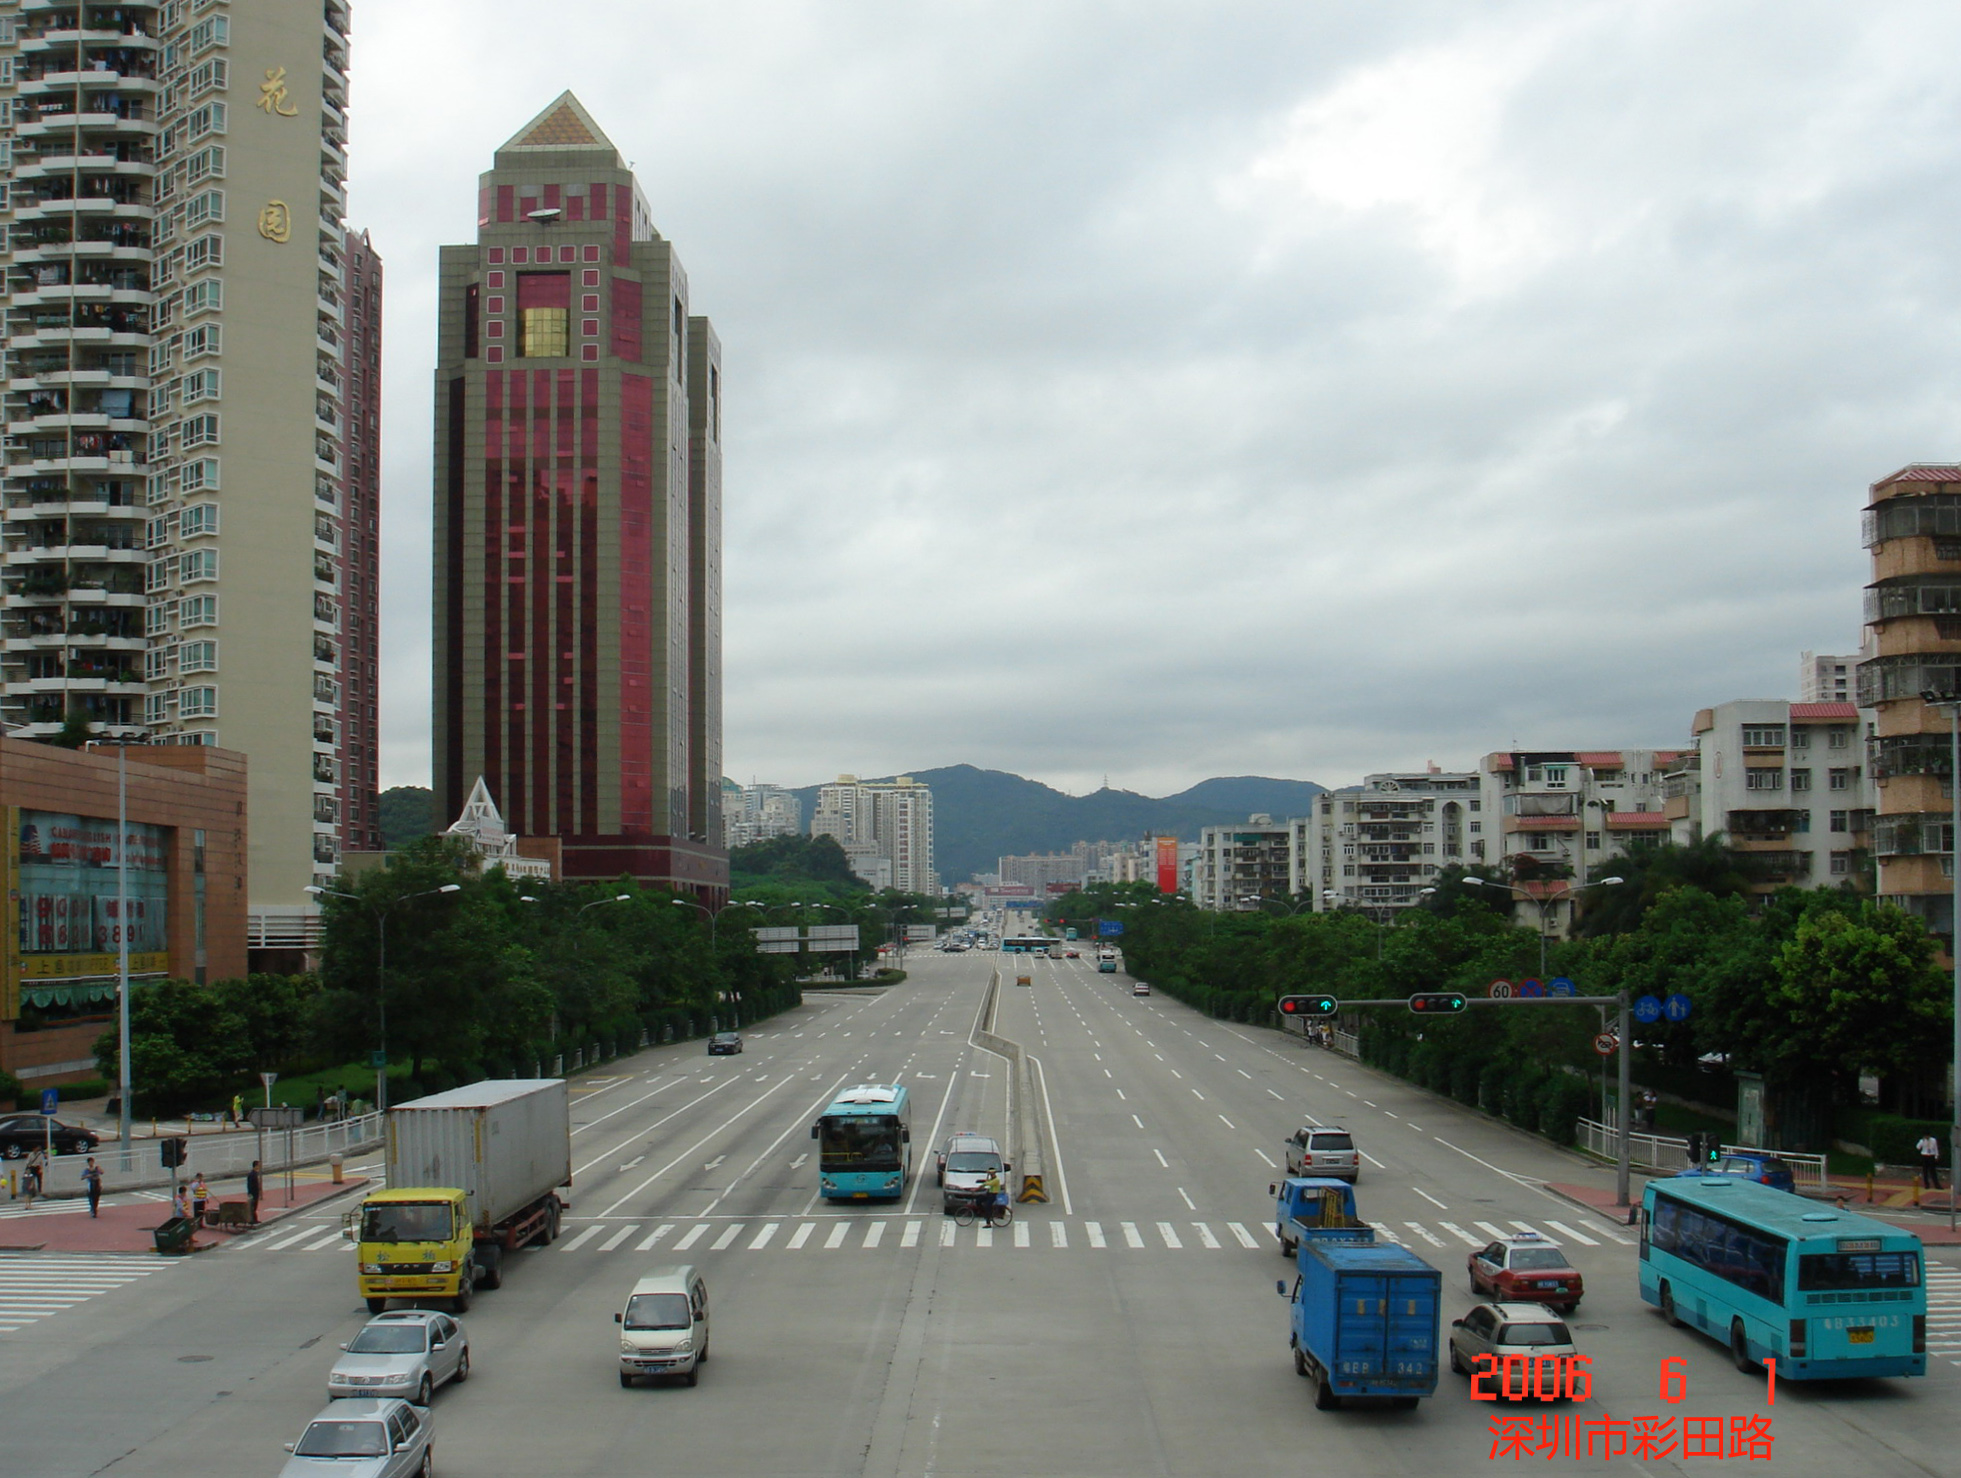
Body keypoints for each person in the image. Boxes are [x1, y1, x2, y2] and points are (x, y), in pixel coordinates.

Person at [245, 1159, 262, 1226]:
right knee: (252, 1207)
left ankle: (254, 1219)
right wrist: (250, 1193)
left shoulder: (254, 1174)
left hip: (255, 1193)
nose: (259, 1167)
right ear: (255, 1166)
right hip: (253, 1193)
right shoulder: (252, 1174)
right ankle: (252, 1219)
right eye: (258, 1165)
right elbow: (250, 1184)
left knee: (254, 1207)